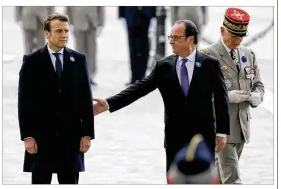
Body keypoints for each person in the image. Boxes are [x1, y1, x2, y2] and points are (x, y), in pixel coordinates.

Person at [93, 19, 230, 180]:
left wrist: (222, 131)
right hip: (174, 135)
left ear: (190, 39)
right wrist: (109, 103)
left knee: (204, 180)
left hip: (203, 135)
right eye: (170, 37)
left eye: (176, 38)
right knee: (173, 179)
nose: (171, 42)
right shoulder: (164, 66)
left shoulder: (210, 64)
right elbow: (139, 89)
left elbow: (222, 99)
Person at [18, 13, 95, 184]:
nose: (64, 35)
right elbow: (24, 102)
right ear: (47, 34)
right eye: (59, 31)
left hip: (71, 138)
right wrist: (27, 136)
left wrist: (87, 134)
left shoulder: (78, 60)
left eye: (66, 31)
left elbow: (85, 99)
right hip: (41, 137)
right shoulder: (31, 61)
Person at [200, 7, 265, 184]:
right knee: (232, 177)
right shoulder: (208, 56)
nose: (237, 41)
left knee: (220, 176)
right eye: (234, 36)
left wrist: (257, 96)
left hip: (242, 126)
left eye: (241, 36)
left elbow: (258, 84)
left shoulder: (248, 54)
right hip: (220, 127)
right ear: (222, 31)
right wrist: (227, 96)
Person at [66, 6, 105, 85]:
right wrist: (69, 23)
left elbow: (101, 8)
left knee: (92, 50)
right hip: (78, 22)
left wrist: (101, 24)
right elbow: (68, 7)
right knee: (79, 51)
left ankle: (90, 75)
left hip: (92, 23)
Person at [118, 6, 157, 85]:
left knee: (144, 46)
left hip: (145, 13)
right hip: (131, 14)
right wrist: (121, 14)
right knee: (132, 47)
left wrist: (153, 13)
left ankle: (142, 75)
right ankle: (134, 76)